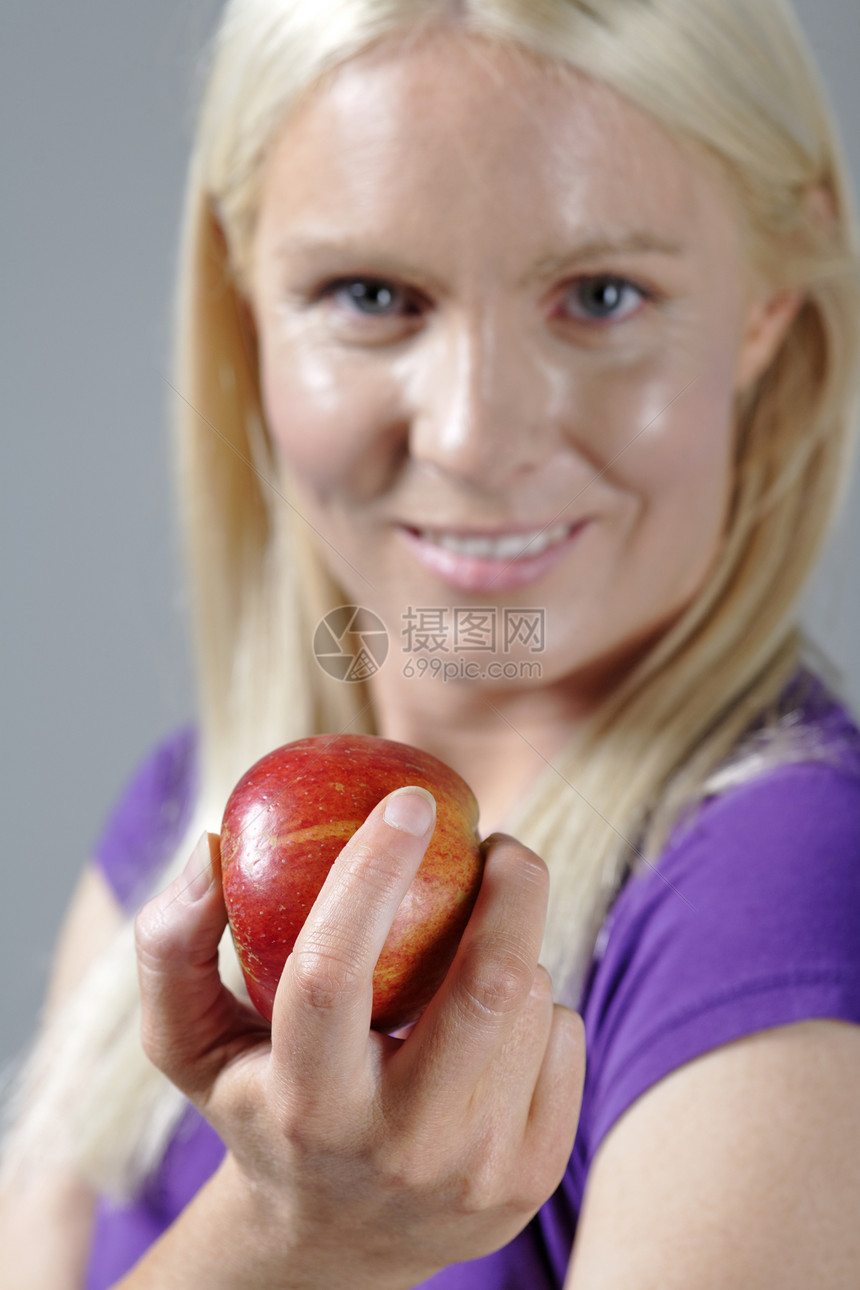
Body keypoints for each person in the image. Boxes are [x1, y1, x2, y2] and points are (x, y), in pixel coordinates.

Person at [2, 0, 860, 1285]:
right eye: (369, 294)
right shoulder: (183, 818)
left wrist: (297, 1246)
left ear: (765, 310)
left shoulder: (789, 899)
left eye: (601, 295)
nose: (469, 432)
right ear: (246, 305)